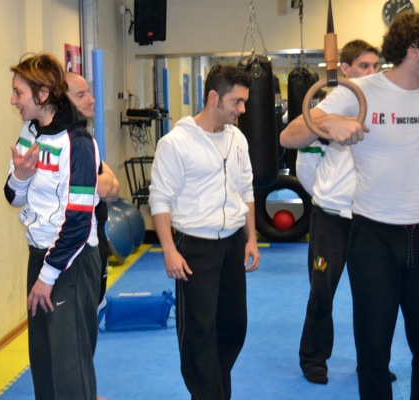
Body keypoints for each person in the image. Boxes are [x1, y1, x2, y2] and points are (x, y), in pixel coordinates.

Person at [280, 13, 419, 400]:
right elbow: (289, 136)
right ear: (413, 49)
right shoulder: (360, 92)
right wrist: (329, 123)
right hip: (373, 236)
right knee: (373, 351)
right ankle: (314, 358)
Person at [148, 64, 261, 400]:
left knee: (234, 326)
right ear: (214, 97)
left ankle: (216, 389)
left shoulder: (237, 138)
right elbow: (160, 198)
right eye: (237, 101)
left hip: (233, 243)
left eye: (244, 102)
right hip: (195, 247)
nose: (242, 109)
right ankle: (207, 394)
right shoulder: (176, 143)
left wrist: (252, 237)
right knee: (198, 332)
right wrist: (169, 249)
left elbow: (247, 189)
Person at [3, 53, 101, 400]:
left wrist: (47, 278)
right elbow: (13, 197)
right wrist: (20, 175)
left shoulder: (79, 144)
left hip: (71, 263)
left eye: (19, 93)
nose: (13, 100)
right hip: (39, 256)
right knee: (43, 365)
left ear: (42, 94)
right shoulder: (30, 132)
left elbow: (78, 222)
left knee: (70, 372)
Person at [292, 39, 383, 385]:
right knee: (322, 293)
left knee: (373, 298)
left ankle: (372, 362)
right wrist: (327, 194)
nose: (371, 72)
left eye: (375, 65)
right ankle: (313, 359)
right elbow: (305, 165)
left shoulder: (381, 108)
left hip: (368, 219)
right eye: (363, 66)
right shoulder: (326, 115)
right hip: (330, 219)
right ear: (344, 70)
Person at [65, 71, 120, 309]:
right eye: (81, 95)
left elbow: (113, 188)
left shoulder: (87, 141)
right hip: (74, 247)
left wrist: (95, 181)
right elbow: (104, 187)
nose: (91, 99)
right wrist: (99, 182)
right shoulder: (63, 144)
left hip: (96, 237)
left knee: (95, 307)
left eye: (88, 92)